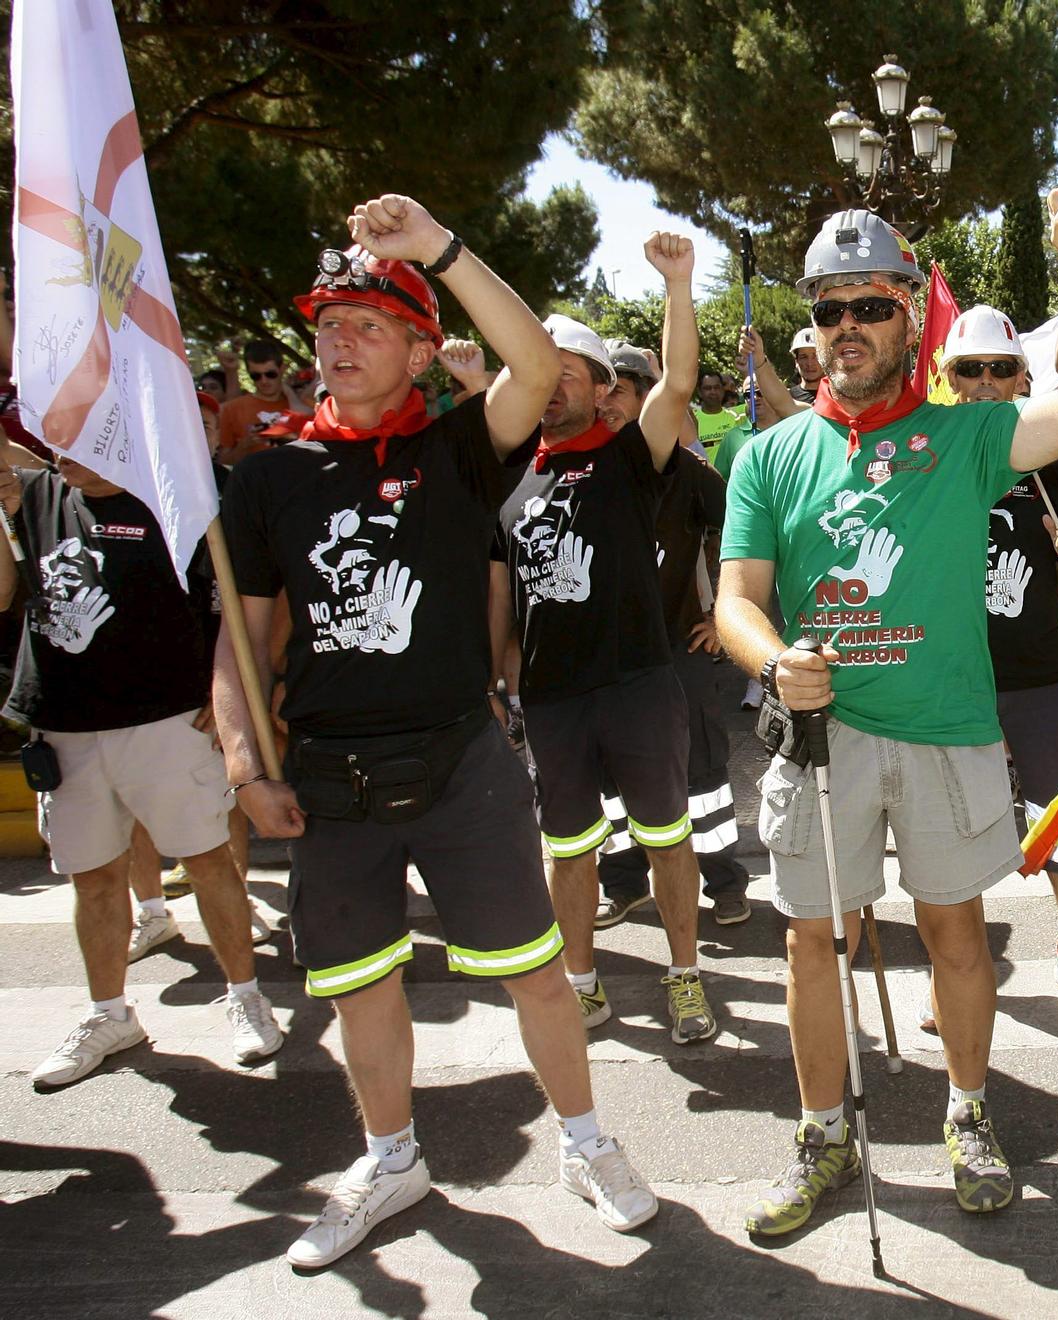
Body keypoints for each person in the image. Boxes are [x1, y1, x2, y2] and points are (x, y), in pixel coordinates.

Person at [211, 194, 657, 1268]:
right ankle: (391, 1156)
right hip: (328, 779)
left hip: (462, 761)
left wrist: (439, 250)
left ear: (420, 348)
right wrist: (240, 759)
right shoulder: (268, 477)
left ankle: (586, 1141)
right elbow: (240, 641)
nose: (338, 341)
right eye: (327, 325)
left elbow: (536, 366)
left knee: (535, 972)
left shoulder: (460, 450)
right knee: (360, 986)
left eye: (367, 324)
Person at [714, 192, 1058, 1235]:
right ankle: (821, 1131)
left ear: (910, 320)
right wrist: (774, 667)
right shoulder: (767, 455)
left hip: (946, 732)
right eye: (828, 307)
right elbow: (733, 603)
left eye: (870, 305)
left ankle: (969, 1112)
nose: (846, 324)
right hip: (821, 739)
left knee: (955, 933)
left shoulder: (967, 436)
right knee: (814, 942)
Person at [1, 454, 283, 1088]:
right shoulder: (31, 494)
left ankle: (245, 997)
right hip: (65, 726)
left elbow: (242, 597)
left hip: (168, 719)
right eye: (54, 435)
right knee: (93, 881)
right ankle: (109, 1015)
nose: (62, 450)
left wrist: (230, 691)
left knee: (208, 862)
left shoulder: (182, 488)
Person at [491, 259, 717, 1045]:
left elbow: (679, 384)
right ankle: (582, 984)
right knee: (570, 852)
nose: (551, 388)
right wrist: (504, 677)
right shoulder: (507, 474)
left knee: (667, 838)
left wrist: (678, 286)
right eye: (538, 374)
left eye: (569, 374)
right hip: (553, 699)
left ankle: (685, 976)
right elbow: (497, 589)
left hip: (639, 687)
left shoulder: (629, 457)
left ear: (599, 388)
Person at [945, 304, 1058, 1009]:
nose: (986, 382)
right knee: (954, 831)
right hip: (951, 681)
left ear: (1022, 379)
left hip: (1039, 675)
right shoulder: (929, 456)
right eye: (970, 369)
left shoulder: (1051, 463)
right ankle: (959, 963)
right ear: (950, 379)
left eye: (1000, 368)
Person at [593, 339, 752, 930]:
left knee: (701, 773)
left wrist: (723, 613)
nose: (605, 403)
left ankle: (725, 883)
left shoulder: (689, 474)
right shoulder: (575, 469)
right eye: (599, 390)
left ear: (647, 398)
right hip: (603, 665)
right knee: (611, 782)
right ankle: (626, 882)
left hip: (678, 652)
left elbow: (746, 531)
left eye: (619, 390)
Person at [215, 340, 302, 466]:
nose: (264, 381)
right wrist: (244, 445)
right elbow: (223, 462)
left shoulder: (298, 404)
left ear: (282, 369)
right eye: (256, 376)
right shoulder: (232, 408)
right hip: (256, 482)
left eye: (270, 374)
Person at [694, 370, 745, 458]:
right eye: (707, 388)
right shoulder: (692, 420)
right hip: (703, 471)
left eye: (717, 387)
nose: (713, 392)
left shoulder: (736, 415)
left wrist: (746, 371)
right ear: (699, 392)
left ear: (723, 390)